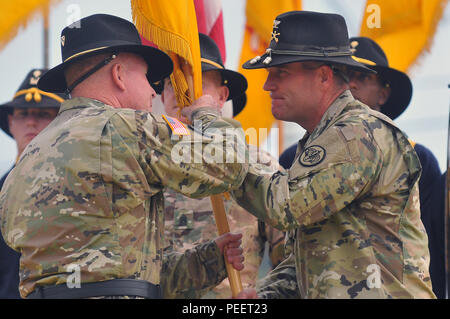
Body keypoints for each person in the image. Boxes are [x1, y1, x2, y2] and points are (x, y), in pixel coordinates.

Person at [0, 14, 248, 299]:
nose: (153, 91)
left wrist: (208, 260)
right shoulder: (128, 129)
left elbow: (115, 271)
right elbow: (230, 165)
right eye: (146, 76)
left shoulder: (27, 158)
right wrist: (207, 113)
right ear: (118, 74)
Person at [232, 11, 435, 299]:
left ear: (324, 76)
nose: (267, 85)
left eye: (281, 73)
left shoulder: (356, 134)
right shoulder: (325, 139)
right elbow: (320, 258)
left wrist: (218, 143)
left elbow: (284, 207)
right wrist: (264, 297)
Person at [160, 33, 285, 298]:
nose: (184, 95)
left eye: (198, 84)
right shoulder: (145, 165)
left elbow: (291, 259)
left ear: (221, 96)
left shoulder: (259, 165)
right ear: (161, 94)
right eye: (174, 84)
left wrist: (263, 299)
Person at [346, 36, 444, 299]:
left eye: (363, 77)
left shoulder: (417, 158)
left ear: (384, 93)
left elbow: (434, 240)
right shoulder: (298, 157)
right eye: (344, 75)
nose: (351, 84)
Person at [0, 69, 65, 298]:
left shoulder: (80, 186)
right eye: (23, 113)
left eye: (42, 114)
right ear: (10, 122)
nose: (30, 121)